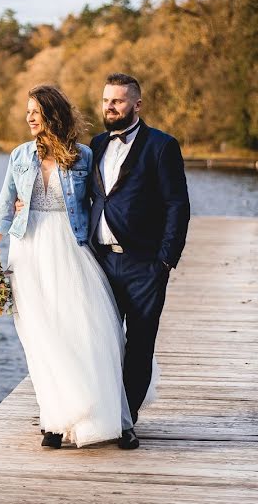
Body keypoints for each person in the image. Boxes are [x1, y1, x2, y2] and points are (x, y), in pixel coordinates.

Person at [0, 84, 133, 449]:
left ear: (51, 114)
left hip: (70, 246)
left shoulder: (82, 156)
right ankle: (54, 419)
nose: (28, 118)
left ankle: (101, 414)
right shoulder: (20, 155)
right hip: (27, 249)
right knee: (40, 335)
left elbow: (103, 201)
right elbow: (5, 204)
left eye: (35, 111)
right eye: (28, 111)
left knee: (82, 327)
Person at [88, 72, 190, 448]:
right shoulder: (95, 145)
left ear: (136, 104)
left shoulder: (162, 146)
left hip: (144, 264)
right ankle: (99, 414)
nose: (109, 107)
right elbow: (79, 195)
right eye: (105, 100)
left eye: (116, 101)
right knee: (100, 342)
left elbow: (177, 205)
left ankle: (126, 421)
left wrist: (165, 261)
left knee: (140, 345)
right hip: (100, 263)